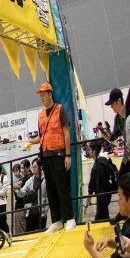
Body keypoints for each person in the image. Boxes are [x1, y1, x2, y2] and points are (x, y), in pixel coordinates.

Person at [29, 82, 75, 232]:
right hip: (46, 156)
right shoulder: (41, 115)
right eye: (40, 95)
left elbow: (66, 132)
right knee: (51, 189)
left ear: (50, 94)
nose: (42, 97)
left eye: (44, 94)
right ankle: (56, 221)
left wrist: (68, 155)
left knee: (62, 187)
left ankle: (69, 218)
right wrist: (30, 142)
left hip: (59, 154)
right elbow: (42, 136)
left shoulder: (60, 109)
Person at [87, 140, 119, 222]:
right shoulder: (104, 160)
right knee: (103, 216)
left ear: (94, 151)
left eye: (89, 150)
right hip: (107, 193)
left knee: (101, 218)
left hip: (101, 196)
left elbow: (92, 185)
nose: (88, 151)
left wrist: (88, 200)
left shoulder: (96, 167)